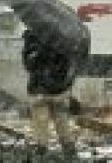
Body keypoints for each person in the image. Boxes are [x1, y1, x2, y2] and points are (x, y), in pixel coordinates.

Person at [22, 27, 78, 156]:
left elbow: (29, 65)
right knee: (61, 119)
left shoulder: (32, 41)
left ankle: (41, 147)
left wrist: (39, 53)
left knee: (41, 121)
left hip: (39, 90)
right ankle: (68, 147)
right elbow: (67, 66)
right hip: (58, 89)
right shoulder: (63, 41)